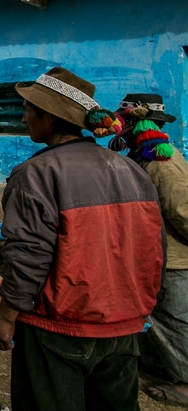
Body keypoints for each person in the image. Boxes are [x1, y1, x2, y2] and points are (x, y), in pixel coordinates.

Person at [0, 67, 166, 411]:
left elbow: (29, 254)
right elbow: (155, 245)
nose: (23, 118)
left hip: (61, 325)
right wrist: (146, 302)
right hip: (123, 324)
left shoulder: (36, 174)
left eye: (28, 110)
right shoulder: (130, 169)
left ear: (49, 118)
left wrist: (6, 316)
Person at [113, 93, 188, 407]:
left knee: (174, 321)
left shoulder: (161, 161)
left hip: (174, 259)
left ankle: (185, 384)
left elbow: (182, 211)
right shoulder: (143, 156)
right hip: (156, 255)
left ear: (134, 123)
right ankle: (163, 366)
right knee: (157, 319)